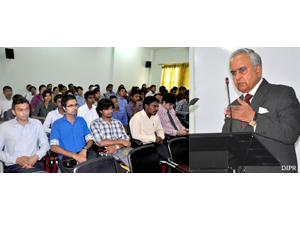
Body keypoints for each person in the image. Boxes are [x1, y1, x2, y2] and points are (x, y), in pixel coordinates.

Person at [223, 48, 300, 172]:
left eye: (242, 70)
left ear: (257, 69)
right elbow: (228, 147)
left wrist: (254, 118)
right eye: (233, 73)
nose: (237, 77)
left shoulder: (282, 94)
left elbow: (290, 133)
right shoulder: (234, 106)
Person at [0, 96, 49, 172]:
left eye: (27, 109)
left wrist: (36, 156)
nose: (24, 113)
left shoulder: (37, 124)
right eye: (20, 110)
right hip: (14, 165)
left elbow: (45, 144)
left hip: (35, 163)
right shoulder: (5, 127)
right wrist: (16, 160)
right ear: (13, 111)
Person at [50, 95, 94, 171]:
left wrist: (84, 149)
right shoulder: (57, 124)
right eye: (70, 106)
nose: (74, 108)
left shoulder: (81, 120)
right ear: (64, 108)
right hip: (67, 159)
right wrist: (75, 156)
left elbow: (90, 139)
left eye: (75, 105)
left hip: (84, 155)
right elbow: (54, 147)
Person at [90, 99, 132, 167]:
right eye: (106, 109)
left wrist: (116, 146)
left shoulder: (117, 122)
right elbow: (100, 142)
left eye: (111, 109)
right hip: (106, 153)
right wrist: (120, 141)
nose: (110, 111)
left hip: (122, 149)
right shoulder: (95, 123)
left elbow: (127, 141)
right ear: (100, 111)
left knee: (137, 158)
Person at [129, 96, 169, 160]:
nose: (157, 109)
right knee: (164, 157)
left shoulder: (155, 116)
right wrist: (153, 138)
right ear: (146, 106)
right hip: (142, 146)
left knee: (168, 155)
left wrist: (161, 137)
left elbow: (159, 129)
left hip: (155, 143)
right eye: (154, 106)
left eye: (158, 106)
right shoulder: (137, 117)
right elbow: (135, 135)